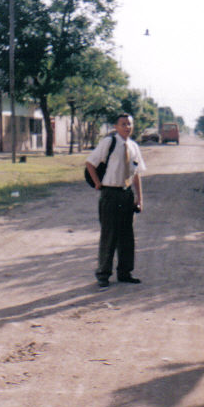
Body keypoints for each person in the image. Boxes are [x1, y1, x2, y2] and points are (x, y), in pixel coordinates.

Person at [85, 113, 146, 288]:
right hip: (110, 194)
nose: (127, 127)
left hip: (126, 194)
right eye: (123, 124)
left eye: (129, 124)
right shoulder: (109, 142)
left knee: (127, 236)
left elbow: (136, 174)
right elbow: (90, 163)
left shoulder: (133, 146)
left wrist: (139, 198)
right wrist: (98, 183)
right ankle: (103, 273)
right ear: (116, 126)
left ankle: (125, 273)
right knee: (109, 234)